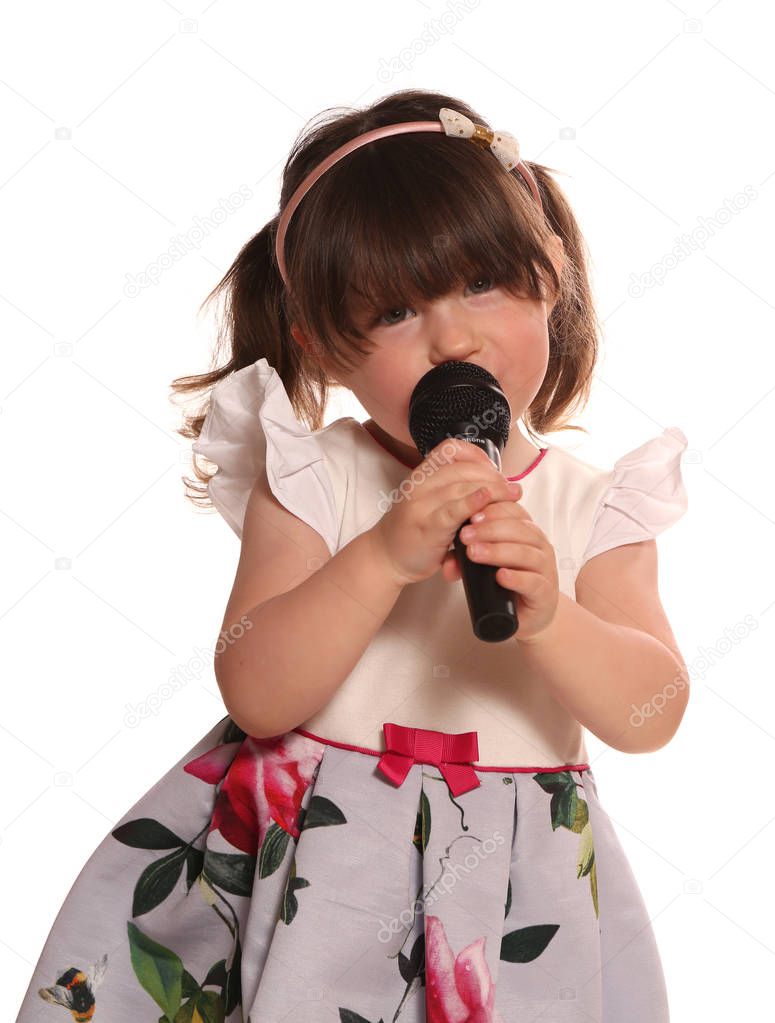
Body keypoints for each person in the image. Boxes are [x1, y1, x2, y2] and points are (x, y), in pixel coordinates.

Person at [15, 89, 689, 1023]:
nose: (453, 337)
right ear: (320, 344)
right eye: (398, 310)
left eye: (483, 284)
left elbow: (649, 710)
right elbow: (255, 689)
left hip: (506, 898)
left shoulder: (592, 504)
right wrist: (377, 555)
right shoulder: (315, 480)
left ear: (553, 273)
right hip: (312, 868)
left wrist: (552, 615)